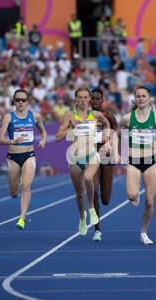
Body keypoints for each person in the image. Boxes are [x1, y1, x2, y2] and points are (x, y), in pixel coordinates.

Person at [55, 87, 111, 237]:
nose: (83, 100)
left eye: (86, 97)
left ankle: (91, 208)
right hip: (75, 157)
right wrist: (71, 127)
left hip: (92, 154)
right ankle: (82, 217)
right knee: (80, 193)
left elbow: (107, 124)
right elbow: (58, 137)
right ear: (76, 99)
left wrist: (107, 140)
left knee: (88, 178)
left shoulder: (96, 115)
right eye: (80, 97)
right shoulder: (69, 115)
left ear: (89, 99)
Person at [119, 86, 156, 245]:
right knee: (132, 195)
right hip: (133, 160)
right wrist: (117, 151)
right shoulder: (127, 118)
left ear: (149, 98)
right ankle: (134, 193)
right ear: (135, 99)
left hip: (150, 162)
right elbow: (118, 135)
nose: (141, 98)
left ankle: (144, 232)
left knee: (150, 202)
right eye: (138, 96)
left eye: (143, 96)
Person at [0, 89, 47, 230]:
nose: (20, 102)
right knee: (14, 193)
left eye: (23, 100)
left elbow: (43, 130)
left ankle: (22, 218)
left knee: (26, 186)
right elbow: (0, 139)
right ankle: (17, 181)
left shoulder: (35, 116)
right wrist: (13, 141)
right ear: (14, 101)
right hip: (13, 157)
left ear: (27, 101)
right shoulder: (8, 117)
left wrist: (43, 140)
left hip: (29, 154)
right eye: (17, 100)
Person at [90, 88, 118, 241]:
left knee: (105, 199)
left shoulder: (109, 117)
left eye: (97, 98)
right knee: (93, 189)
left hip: (106, 157)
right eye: (92, 98)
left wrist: (115, 152)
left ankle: (102, 202)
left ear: (102, 101)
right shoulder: (84, 116)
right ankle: (97, 229)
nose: (94, 101)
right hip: (91, 156)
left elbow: (116, 135)